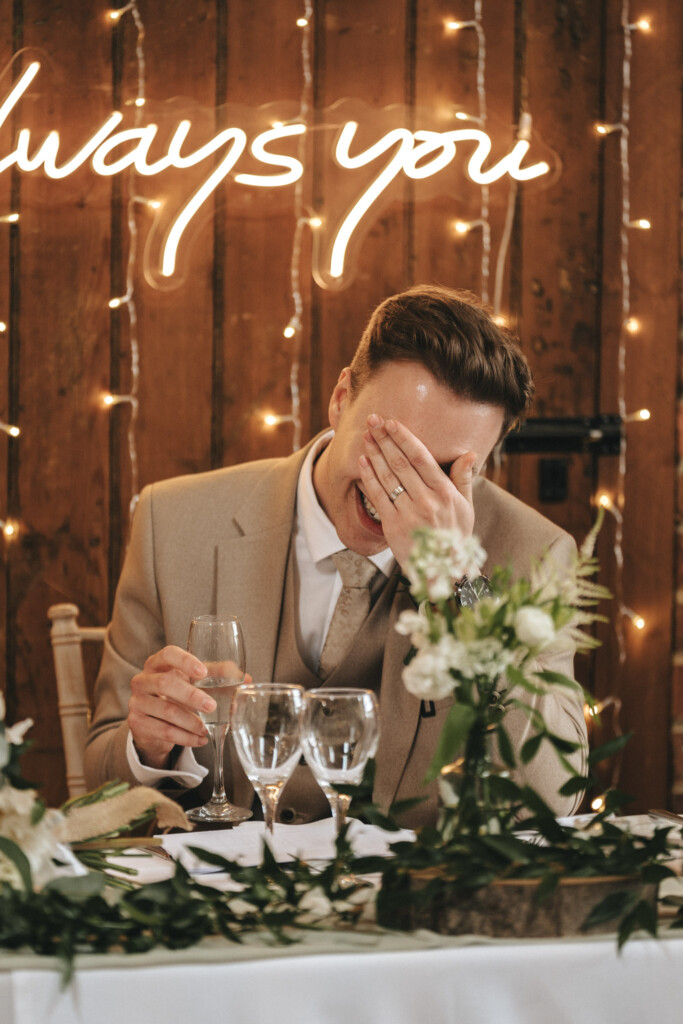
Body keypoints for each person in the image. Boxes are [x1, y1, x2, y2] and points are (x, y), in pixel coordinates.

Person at [84, 285, 587, 826]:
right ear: (342, 398)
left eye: (442, 473)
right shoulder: (175, 522)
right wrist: (151, 748)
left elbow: (554, 793)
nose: (401, 490)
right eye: (393, 448)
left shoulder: (536, 553)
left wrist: (461, 583)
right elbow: (101, 778)